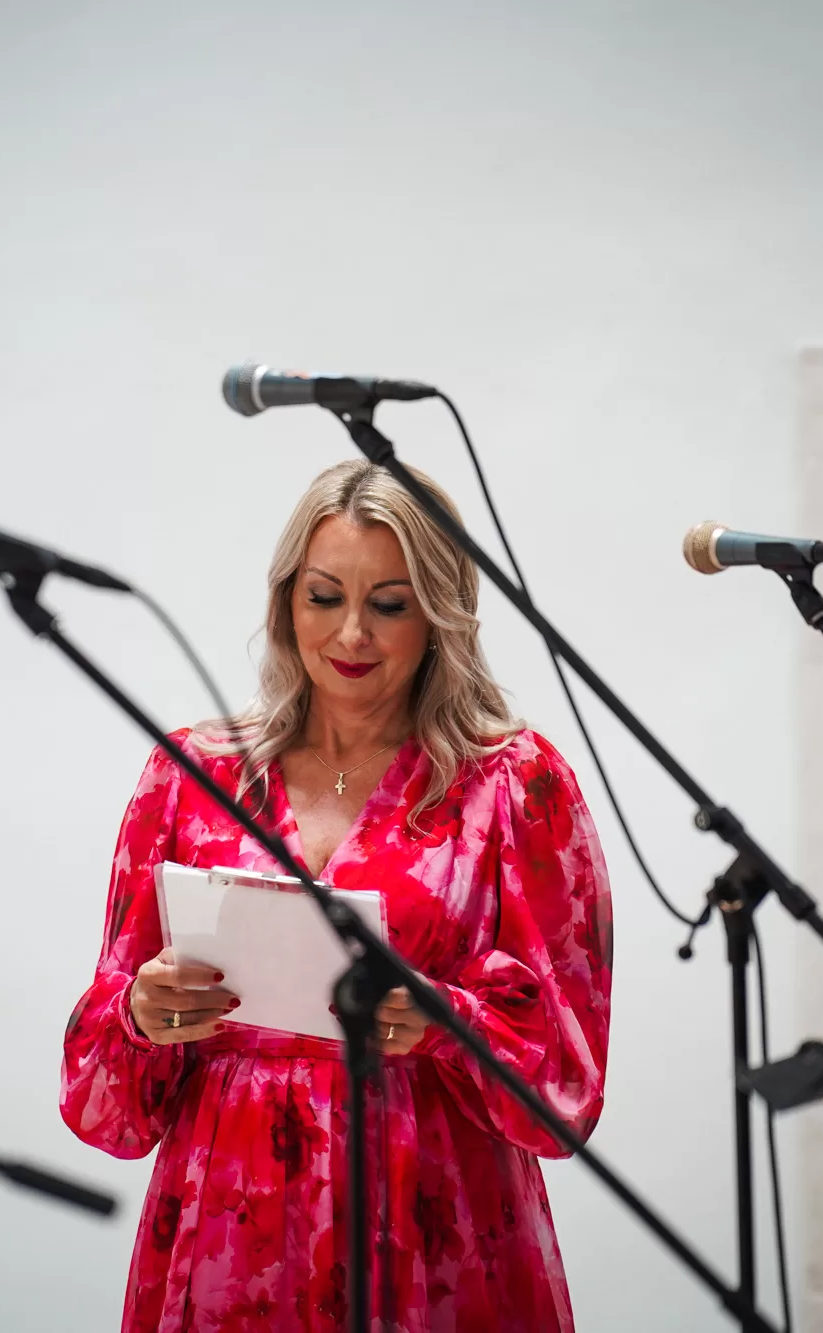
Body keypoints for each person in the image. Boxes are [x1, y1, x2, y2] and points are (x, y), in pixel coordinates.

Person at [61, 459, 613, 1331]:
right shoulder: (190, 775)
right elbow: (102, 1094)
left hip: (434, 1228)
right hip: (228, 1229)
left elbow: (568, 1078)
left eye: (389, 604)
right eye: (324, 597)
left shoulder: (516, 785)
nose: (352, 632)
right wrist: (142, 1011)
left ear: (440, 613)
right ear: (287, 602)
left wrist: (446, 1019)